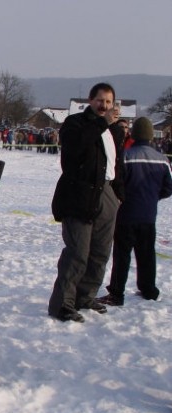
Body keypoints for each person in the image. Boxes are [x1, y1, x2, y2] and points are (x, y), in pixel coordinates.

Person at [48, 82, 125, 323]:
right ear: (90, 101)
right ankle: (63, 303)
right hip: (79, 195)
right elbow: (75, 151)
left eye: (109, 102)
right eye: (100, 101)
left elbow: (117, 163)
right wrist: (103, 123)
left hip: (107, 193)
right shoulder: (75, 124)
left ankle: (85, 295)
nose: (104, 106)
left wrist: (119, 194)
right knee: (78, 252)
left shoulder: (114, 130)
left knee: (100, 252)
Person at [97, 117, 172, 307]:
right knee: (146, 254)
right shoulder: (162, 159)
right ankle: (148, 289)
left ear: (134, 134)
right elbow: (168, 187)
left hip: (125, 215)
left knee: (122, 255)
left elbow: (116, 184)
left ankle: (116, 293)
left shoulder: (126, 156)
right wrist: (152, 198)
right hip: (148, 215)